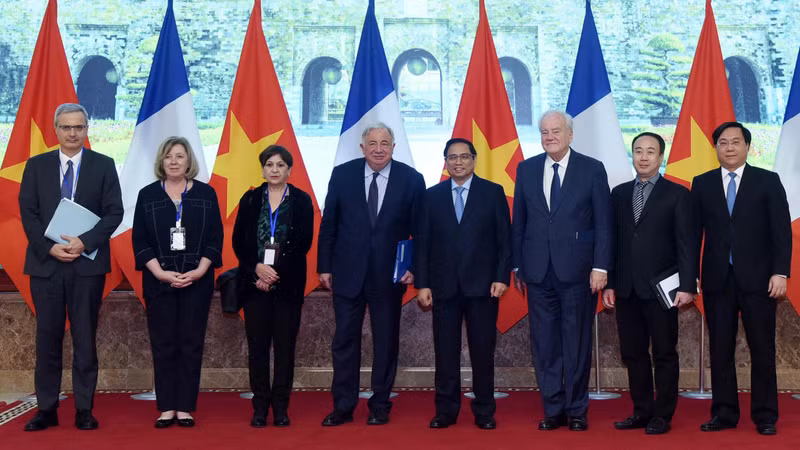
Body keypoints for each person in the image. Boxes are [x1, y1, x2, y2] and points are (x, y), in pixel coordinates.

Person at [19, 103, 123, 431]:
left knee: (84, 338)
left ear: (87, 129)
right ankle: (46, 410)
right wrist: (49, 247)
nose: (73, 133)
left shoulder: (103, 165)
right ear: (56, 130)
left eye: (78, 127)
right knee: (47, 339)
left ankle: (84, 410)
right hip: (45, 265)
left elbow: (114, 212)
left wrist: (84, 242)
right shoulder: (36, 166)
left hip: (86, 266)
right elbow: (28, 213)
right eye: (66, 127)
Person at [317, 123, 425, 426]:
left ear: (393, 147)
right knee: (344, 341)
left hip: (389, 277)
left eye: (385, 143)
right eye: (373, 143)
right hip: (346, 273)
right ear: (363, 147)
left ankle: (380, 405)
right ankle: (343, 406)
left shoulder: (411, 179)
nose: (379, 149)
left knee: (386, 342)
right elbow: (329, 224)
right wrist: (324, 266)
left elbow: (422, 230)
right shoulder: (343, 175)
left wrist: (414, 268)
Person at [511, 110, 612, 432]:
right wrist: (518, 264)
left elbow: (604, 223)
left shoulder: (592, 169)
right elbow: (519, 222)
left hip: (579, 273)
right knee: (545, 345)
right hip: (538, 273)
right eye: (544, 132)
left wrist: (600, 266)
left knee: (576, 344)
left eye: (556, 131)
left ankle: (577, 410)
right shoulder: (526, 169)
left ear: (570, 134)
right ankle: (553, 409)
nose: (550, 137)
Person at [692, 122, 791, 436]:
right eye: (723, 142)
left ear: (747, 146)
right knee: (720, 350)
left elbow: (781, 231)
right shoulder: (703, 183)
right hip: (717, 280)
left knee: (762, 348)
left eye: (736, 142)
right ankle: (724, 413)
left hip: (760, 280)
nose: (730, 148)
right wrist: (691, 276)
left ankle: (765, 415)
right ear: (716, 148)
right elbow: (692, 235)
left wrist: (780, 272)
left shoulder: (767, 181)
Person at [602, 132, 697, 435]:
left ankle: (663, 414)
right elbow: (613, 241)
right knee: (633, 353)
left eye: (650, 152)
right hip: (626, 288)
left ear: (661, 157)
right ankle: (642, 411)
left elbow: (686, 243)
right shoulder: (618, 194)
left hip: (662, 289)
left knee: (665, 353)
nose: (643, 157)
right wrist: (610, 283)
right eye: (638, 151)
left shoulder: (677, 194)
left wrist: (687, 285)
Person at [414, 138, 510, 430]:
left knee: (483, 352)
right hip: (442, 288)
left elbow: (504, 240)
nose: (458, 162)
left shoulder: (493, 193)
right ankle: (446, 410)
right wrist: (423, 284)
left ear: (474, 160)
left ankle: (484, 411)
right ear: (445, 162)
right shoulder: (431, 196)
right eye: (452, 157)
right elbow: (422, 243)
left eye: (464, 157)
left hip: (484, 287)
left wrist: (501, 277)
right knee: (445, 352)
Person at [132, 136, 223, 429]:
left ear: (188, 161)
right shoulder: (147, 195)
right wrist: (160, 273)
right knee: (163, 343)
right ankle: (166, 407)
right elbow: (140, 241)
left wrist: (200, 271)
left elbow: (215, 239)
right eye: (168, 156)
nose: (173, 161)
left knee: (190, 343)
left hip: (197, 280)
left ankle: (185, 407)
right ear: (161, 160)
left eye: (179, 156)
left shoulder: (206, 194)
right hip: (159, 281)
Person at [232, 145, 314, 428]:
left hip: (287, 287)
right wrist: (257, 269)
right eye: (269, 165)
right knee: (257, 349)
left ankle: (280, 407)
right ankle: (259, 407)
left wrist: (273, 275)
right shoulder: (250, 199)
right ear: (263, 169)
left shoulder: (302, 200)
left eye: (280, 165)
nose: (275, 170)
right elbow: (239, 242)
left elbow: (303, 244)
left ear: (289, 169)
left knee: (284, 349)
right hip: (254, 285)